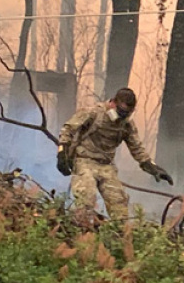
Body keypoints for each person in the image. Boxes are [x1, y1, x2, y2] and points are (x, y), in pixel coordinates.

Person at [56, 87, 173, 221]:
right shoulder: (93, 113)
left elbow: (137, 148)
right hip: (84, 160)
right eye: (121, 111)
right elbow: (68, 129)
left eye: (127, 113)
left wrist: (152, 167)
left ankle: (117, 237)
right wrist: (62, 153)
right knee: (86, 198)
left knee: (119, 205)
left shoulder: (126, 125)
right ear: (113, 103)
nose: (123, 116)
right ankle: (82, 234)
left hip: (106, 166)